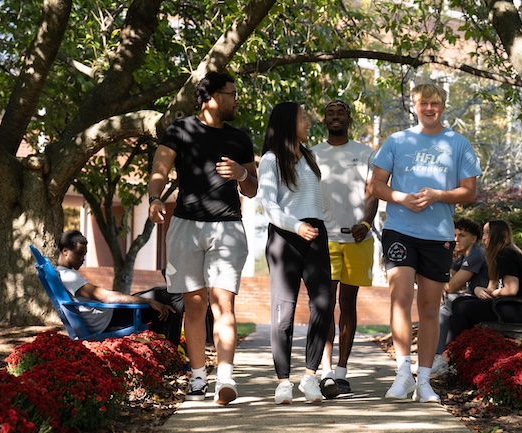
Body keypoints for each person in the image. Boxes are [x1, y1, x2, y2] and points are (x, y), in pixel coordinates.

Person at [147, 71, 258, 405]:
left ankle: (225, 377)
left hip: (227, 227)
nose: (237, 99)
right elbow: (159, 169)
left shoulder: (240, 138)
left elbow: (252, 189)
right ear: (211, 96)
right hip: (185, 225)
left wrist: (241, 174)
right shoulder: (180, 130)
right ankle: (198, 378)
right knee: (194, 306)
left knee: (224, 303)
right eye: (232, 93)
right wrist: (154, 199)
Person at [369, 83, 481, 403]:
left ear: (443, 106)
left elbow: (469, 191)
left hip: (438, 235)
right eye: (423, 103)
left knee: (430, 307)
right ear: (414, 106)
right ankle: (402, 373)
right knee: (400, 297)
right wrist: (401, 197)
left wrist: (437, 195)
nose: (429, 108)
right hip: (400, 230)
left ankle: (424, 381)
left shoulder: (458, 144)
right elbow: (376, 185)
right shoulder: (398, 141)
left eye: (435, 103)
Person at [258, 101, 333, 404]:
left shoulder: (310, 156)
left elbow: (317, 201)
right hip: (285, 237)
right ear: (289, 122)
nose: (308, 120)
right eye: (304, 116)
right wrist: (295, 225)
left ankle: (310, 376)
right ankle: (283, 382)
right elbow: (269, 205)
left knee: (324, 304)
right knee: (284, 310)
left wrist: (317, 227)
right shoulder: (270, 159)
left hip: (316, 234)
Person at [312, 100, 378, 398]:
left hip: (358, 239)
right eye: (330, 113)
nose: (335, 117)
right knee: (324, 306)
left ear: (349, 118)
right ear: (323, 119)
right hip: (323, 240)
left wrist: (366, 222)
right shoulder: (312, 154)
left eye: (341, 112)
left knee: (348, 305)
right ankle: (325, 372)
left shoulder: (364, 153)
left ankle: (341, 371)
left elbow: (372, 192)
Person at [55, 230, 183, 346]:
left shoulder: (61, 274)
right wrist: (150, 301)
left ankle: (163, 350)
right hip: (112, 319)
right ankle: (173, 352)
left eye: (84, 255)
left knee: (162, 300)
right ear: (65, 251)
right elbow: (107, 297)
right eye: (79, 254)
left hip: (111, 315)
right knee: (174, 295)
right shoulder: (69, 277)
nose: (82, 259)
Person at [448, 220, 522, 342]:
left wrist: (492, 294)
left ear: (497, 235)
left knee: (463, 308)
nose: (484, 238)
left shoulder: (506, 254)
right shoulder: (497, 255)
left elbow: (511, 289)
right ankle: (464, 349)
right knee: (459, 301)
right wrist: (477, 289)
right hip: (510, 305)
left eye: (487, 233)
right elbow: (491, 288)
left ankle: (451, 351)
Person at [429, 218, 488, 376]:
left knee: (446, 305)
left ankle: (441, 358)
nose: (456, 239)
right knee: (444, 309)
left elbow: (451, 286)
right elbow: (446, 280)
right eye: (454, 235)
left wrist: (444, 286)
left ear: (473, 238)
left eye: (461, 235)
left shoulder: (476, 254)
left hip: (485, 302)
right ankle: (439, 357)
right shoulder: (462, 257)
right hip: (472, 299)